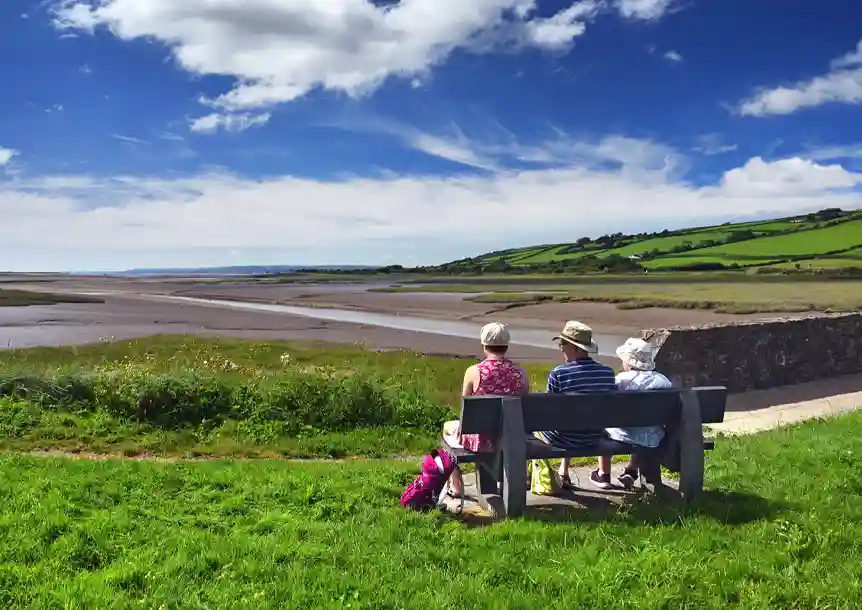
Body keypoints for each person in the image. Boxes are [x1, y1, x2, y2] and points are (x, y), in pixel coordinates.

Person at [442, 321, 530, 497]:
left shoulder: (474, 371)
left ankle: (456, 486)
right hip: (513, 437)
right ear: (506, 345)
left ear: (484, 345)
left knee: (447, 427)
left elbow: (465, 406)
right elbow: (525, 405)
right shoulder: (521, 372)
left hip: (480, 440)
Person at [535, 321, 615, 488]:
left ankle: (535, 476)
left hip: (563, 437)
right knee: (572, 419)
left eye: (563, 344)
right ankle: (564, 472)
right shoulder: (607, 373)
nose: (561, 348)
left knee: (543, 428)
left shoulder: (559, 373)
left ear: (576, 348)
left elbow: (547, 410)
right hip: (593, 435)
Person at [591, 337, 672, 490]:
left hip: (623, 434)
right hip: (653, 437)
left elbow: (604, 406)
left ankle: (603, 474)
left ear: (629, 362)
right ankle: (632, 470)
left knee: (603, 427)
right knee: (643, 425)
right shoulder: (663, 381)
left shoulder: (620, 381)